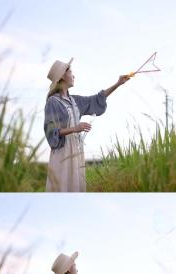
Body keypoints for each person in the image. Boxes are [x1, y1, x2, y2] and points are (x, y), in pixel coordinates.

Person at [44, 58, 129, 192]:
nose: (73, 75)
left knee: (75, 188)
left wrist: (118, 84)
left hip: (76, 150)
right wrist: (74, 129)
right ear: (62, 76)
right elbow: (51, 132)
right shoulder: (53, 102)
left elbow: (95, 99)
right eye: (70, 72)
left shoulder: (74, 101)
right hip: (62, 151)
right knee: (62, 187)